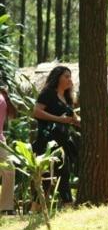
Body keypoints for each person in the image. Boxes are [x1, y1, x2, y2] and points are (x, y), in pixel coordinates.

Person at [31, 66, 81, 212]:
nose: (69, 79)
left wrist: (89, 123)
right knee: (45, 177)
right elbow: (37, 111)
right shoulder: (48, 93)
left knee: (64, 173)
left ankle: (67, 206)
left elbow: (73, 119)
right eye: (66, 76)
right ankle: (36, 209)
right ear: (57, 78)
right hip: (47, 142)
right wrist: (57, 119)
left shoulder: (68, 98)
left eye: (70, 76)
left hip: (63, 143)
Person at [0, 85, 17, 216]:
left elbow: (13, 115)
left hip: (0, 140)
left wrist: (7, 98)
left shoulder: (2, 95)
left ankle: (6, 207)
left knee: (9, 169)